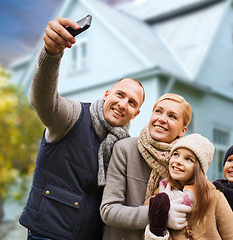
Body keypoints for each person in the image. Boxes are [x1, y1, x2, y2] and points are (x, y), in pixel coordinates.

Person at [19, 17, 145, 240]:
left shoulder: (125, 147)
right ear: (107, 94)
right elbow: (43, 99)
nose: (123, 104)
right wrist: (50, 53)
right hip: (47, 234)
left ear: (136, 114)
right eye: (120, 95)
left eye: (132, 103)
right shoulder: (73, 116)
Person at [100, 93, 194, 239]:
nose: (162, 119)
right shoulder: (125, 149)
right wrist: (159, 214)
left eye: (172, 116)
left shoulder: (185, 164)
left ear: (183, 130)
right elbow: (109, 211)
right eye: (158, 111)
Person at [144, 133, 233, 240]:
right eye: (176, 154)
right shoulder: (157, 199)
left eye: (188, 159)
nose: (178, 161)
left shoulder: (215, 198)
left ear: (199, 169)